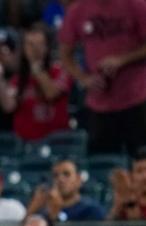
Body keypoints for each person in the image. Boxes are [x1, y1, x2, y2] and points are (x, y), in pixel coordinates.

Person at [58, 0, 146, 157]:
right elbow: (64, 55)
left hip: (137, 99)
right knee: (102, 165)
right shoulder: (78, 10)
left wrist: (122, 60)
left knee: (142, 162)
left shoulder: (136, 5)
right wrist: (84, 79)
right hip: (99, 103)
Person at [0, 24, 72, 142]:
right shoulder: (18, 79)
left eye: (38, 44)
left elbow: (51, 93)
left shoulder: (61, 71)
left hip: (57, 142)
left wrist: (35, 64)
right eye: (29, 44)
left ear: (46, 47)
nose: (34, 49)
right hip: (26, 144)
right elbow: (8, 106)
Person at [26, 159, 106, 221]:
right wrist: (33, 208)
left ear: (78, 180)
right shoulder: (44, 212)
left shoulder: (91, 209)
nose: (60, 179)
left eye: (66, 174)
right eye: (55, 175)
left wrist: (55, 216)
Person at [107, 147, 146, 220]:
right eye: (139, 171)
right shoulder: (123, 201)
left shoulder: (128, 201)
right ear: (131, 176)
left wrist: (130, 203)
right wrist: (116, 208)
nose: (145, 176)